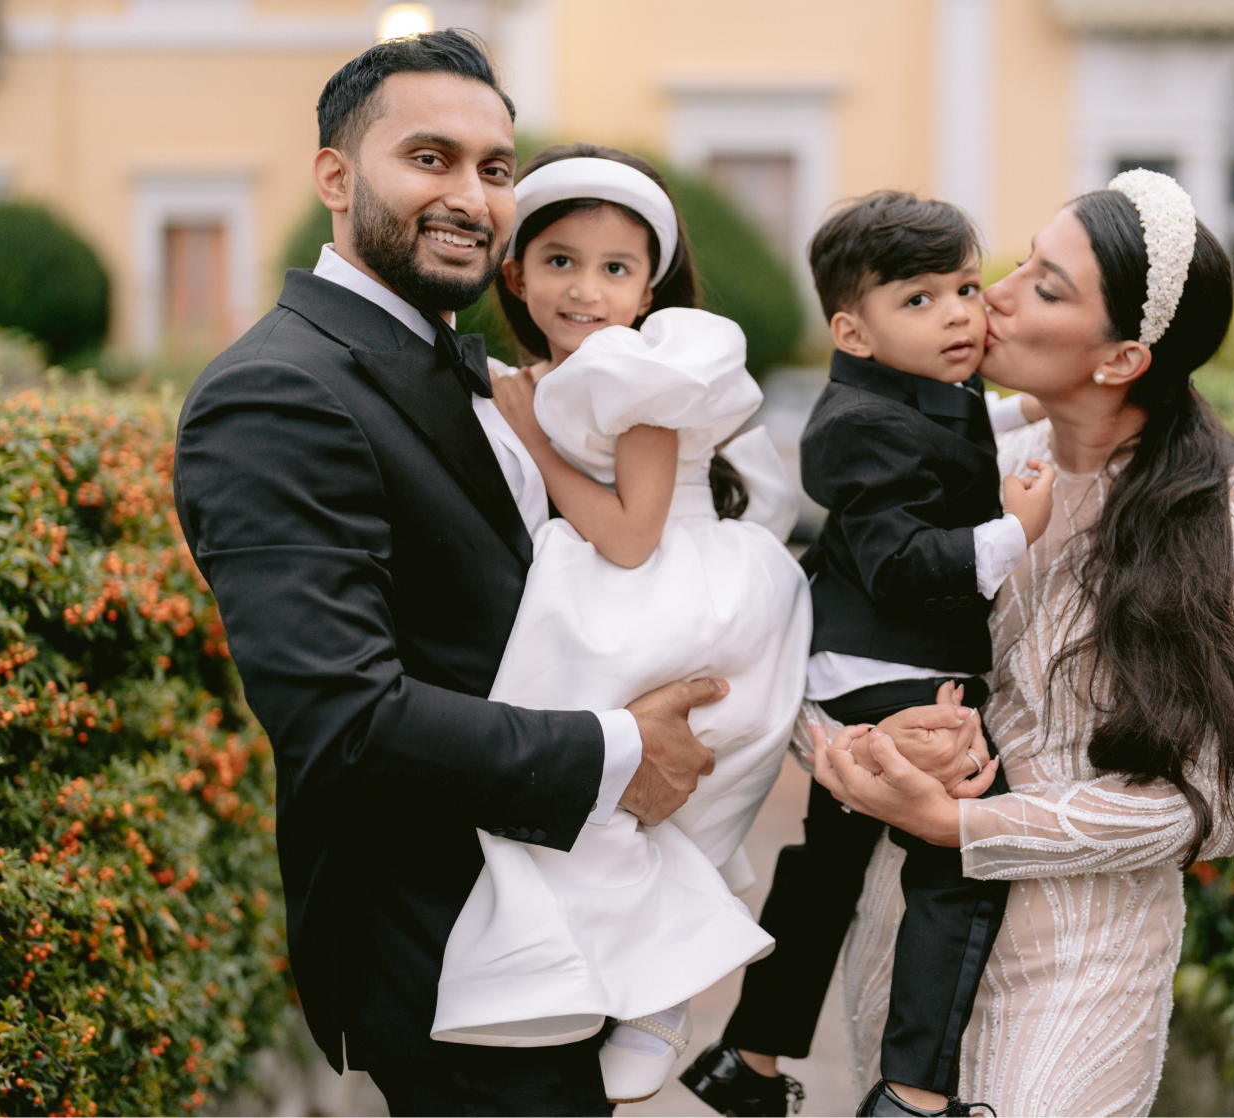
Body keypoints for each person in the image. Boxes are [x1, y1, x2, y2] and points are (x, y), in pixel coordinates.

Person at [173, 32, 727, 1118]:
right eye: (430, 157)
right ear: (335, 176)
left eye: (495, 167)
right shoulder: (278, 392)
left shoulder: (492, 375)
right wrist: (620, 750)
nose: (471, 196)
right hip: (449, 949)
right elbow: (342, 713)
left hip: (555, 927)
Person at [812, 170, 1234, 1118]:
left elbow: (1223, 802)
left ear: (1118, 359)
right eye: (1026, 258)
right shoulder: (958, 465)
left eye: (1044, 284)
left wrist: (965, 826)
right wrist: (872, 749)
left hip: (1083, 966)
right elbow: (826, 659)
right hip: (908, 938)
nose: (990, 291)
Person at [428, 144, 812, 1106]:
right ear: (513, 273)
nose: (585, 290)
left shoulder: (639, 373)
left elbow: (633, 536)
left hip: (658, 583)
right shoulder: (535, 374)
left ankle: (662, 991)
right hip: (598, 578)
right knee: (570, 790)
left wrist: (529, 439)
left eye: (614, 269)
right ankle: (576, 967)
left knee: (634, 795)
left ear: (648, 288)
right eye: (560, 261)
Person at [683, 192, 1052, 1118]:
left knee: (825, 871)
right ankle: (914, 1096)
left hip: (862, 664)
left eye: (966, 287)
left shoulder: (923, 389)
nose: (959, 313)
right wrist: (1014, 532)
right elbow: (897, 563)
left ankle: (750, 1062)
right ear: (852, 330)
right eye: (920, 299)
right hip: (883, 670)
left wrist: (1031, 418)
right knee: (963, 848)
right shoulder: (853, 426)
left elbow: (956, 438)